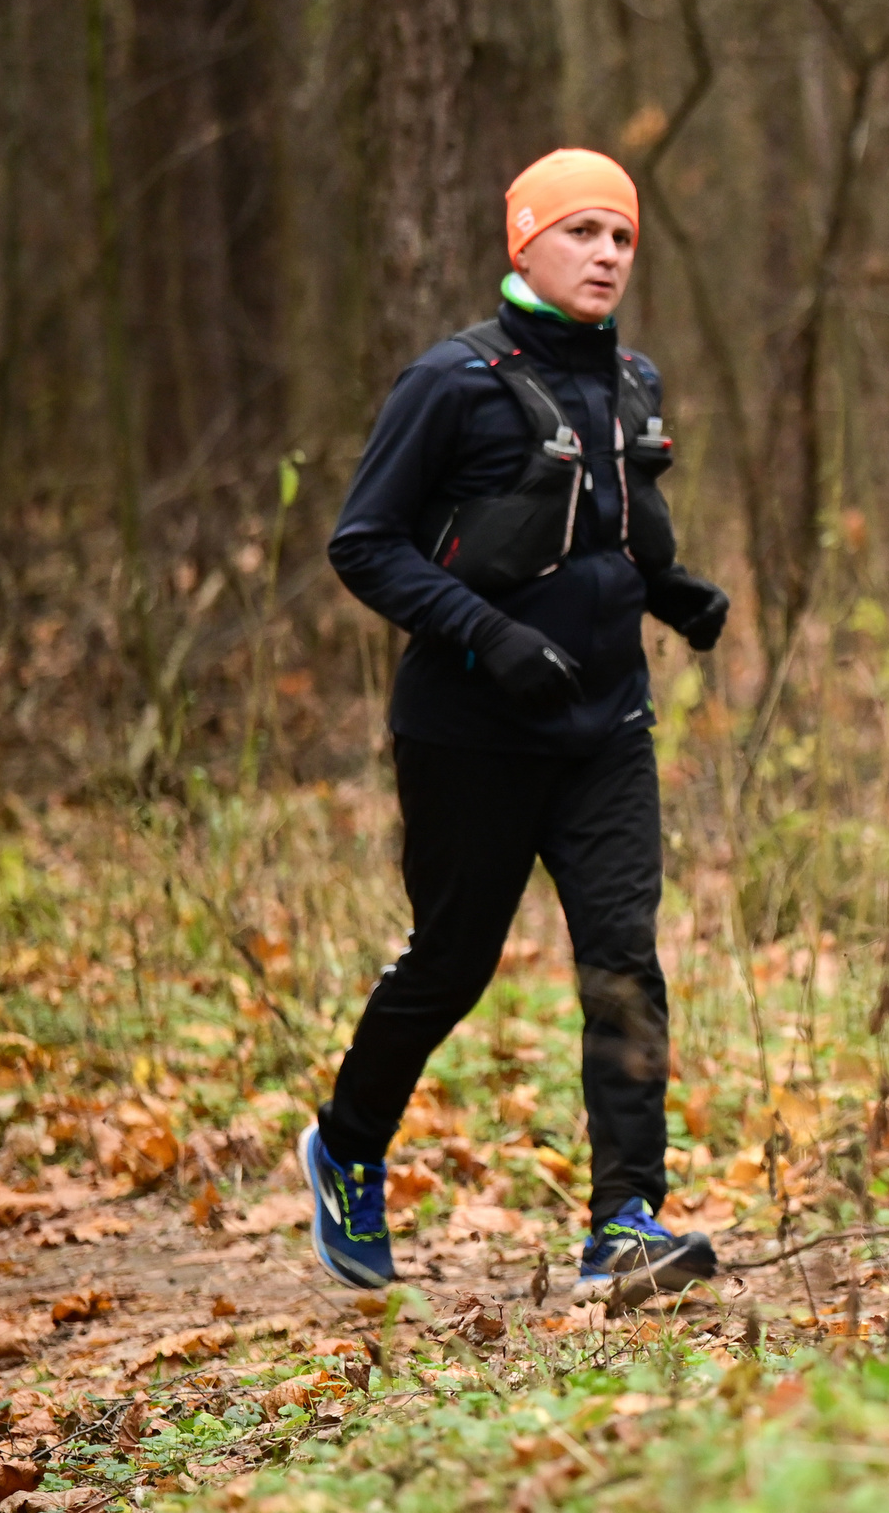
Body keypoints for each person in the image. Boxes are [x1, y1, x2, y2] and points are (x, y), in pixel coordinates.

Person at [302, 149, 732, 1298]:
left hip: (606, 730)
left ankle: (624, 1222)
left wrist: (672, 591)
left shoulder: (631, 380)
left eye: (622, 236)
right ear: (525, 242)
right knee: (451, 965)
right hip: (469, 734)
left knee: (623, 963)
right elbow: (364, 543)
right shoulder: (450, 381)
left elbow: (601, 531)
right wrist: (487, 636)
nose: (606, 254)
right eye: (581, 231)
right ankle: (347, 1148)